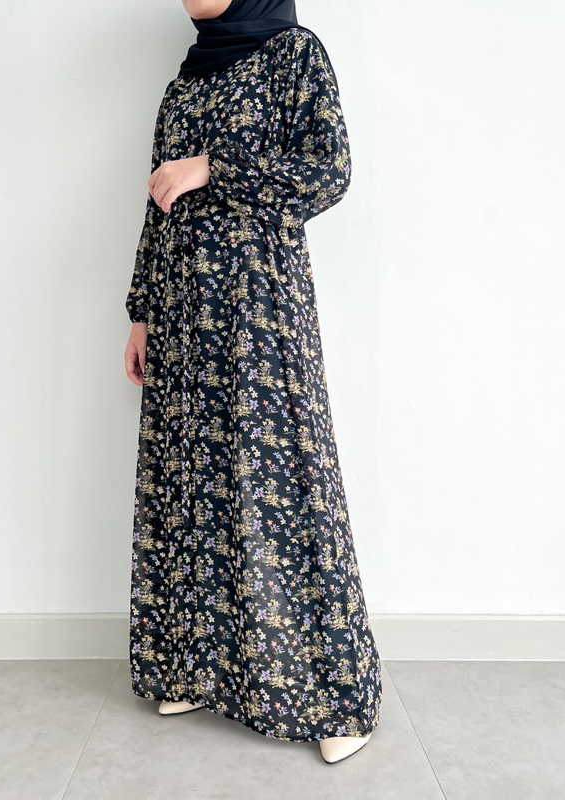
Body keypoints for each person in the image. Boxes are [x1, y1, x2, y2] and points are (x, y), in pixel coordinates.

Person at [124, 0, 382, 764]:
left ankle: (335, 700)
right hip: (182, 314)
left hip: (260, 309)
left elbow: (328, 172)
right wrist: (141, 312)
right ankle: (194, 669)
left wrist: (214, 166)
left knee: (287, 488)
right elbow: (158, 208)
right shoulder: (183, 86)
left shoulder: (293, 54)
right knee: (191, 486)